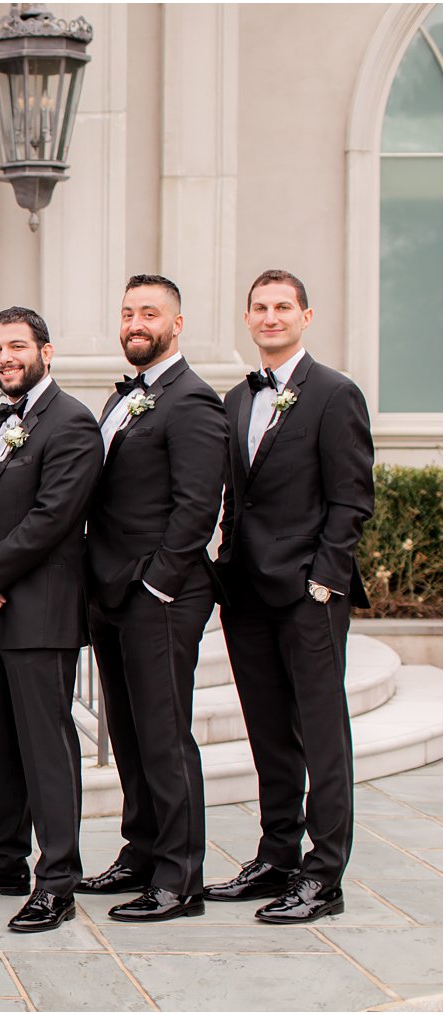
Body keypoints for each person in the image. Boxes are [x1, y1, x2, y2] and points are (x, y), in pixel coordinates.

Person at [205, 269, 374, 923]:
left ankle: (323, 874)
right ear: (247, 318)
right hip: (246, 593)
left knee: (322, 734)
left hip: (310, 595)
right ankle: (276, 856)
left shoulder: (335, 394)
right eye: (260, 307)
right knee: (269, 732)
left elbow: (352, 497)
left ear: (306, 315)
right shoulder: (236, 400)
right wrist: (225, 568)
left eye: (283, 306)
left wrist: (324, 582)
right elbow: (235, 496)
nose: (271, 316)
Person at [0, 306, 102, 933]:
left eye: (16, 347)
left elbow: (52, 519)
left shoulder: (73, 424)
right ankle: (3, 858)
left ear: (46, 352)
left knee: (47, 748)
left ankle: (57, 878)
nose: (5, 359)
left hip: (40, 612)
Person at [82, 274, 227, 922]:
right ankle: (140, 851)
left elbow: (197, 507)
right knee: (131, 733)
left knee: (165, 736)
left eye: (150, 312)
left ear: (177, 322)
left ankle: (179, 877)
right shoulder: (124, 398)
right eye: (128, 312)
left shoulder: (192, 400)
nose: (136, 322)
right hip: (111, 591)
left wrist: (157, 583)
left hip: (160, 594)